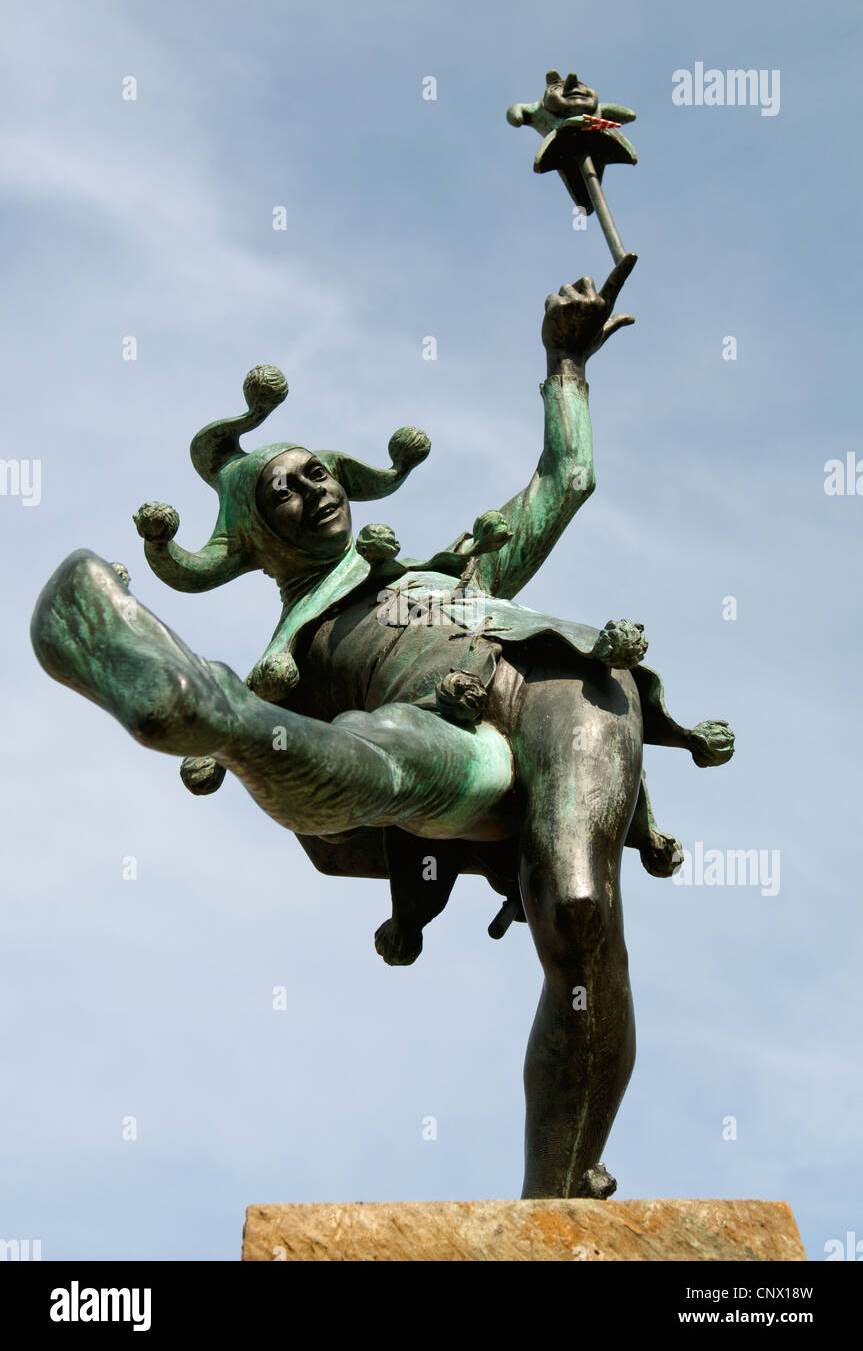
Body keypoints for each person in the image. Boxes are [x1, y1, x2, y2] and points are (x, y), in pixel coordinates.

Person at [31, 254, 732, 1199]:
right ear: (255, 535)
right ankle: (210, 709)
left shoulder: (455, 572)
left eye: (315, 469)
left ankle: (555, 1198)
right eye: (282, 490)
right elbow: (326, 828)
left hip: (560, 684)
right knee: (375, 757)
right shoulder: (300, 648)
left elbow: (566, 479)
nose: (312, 487)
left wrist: (564, 364)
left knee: (575, 905)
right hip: (434, 741)